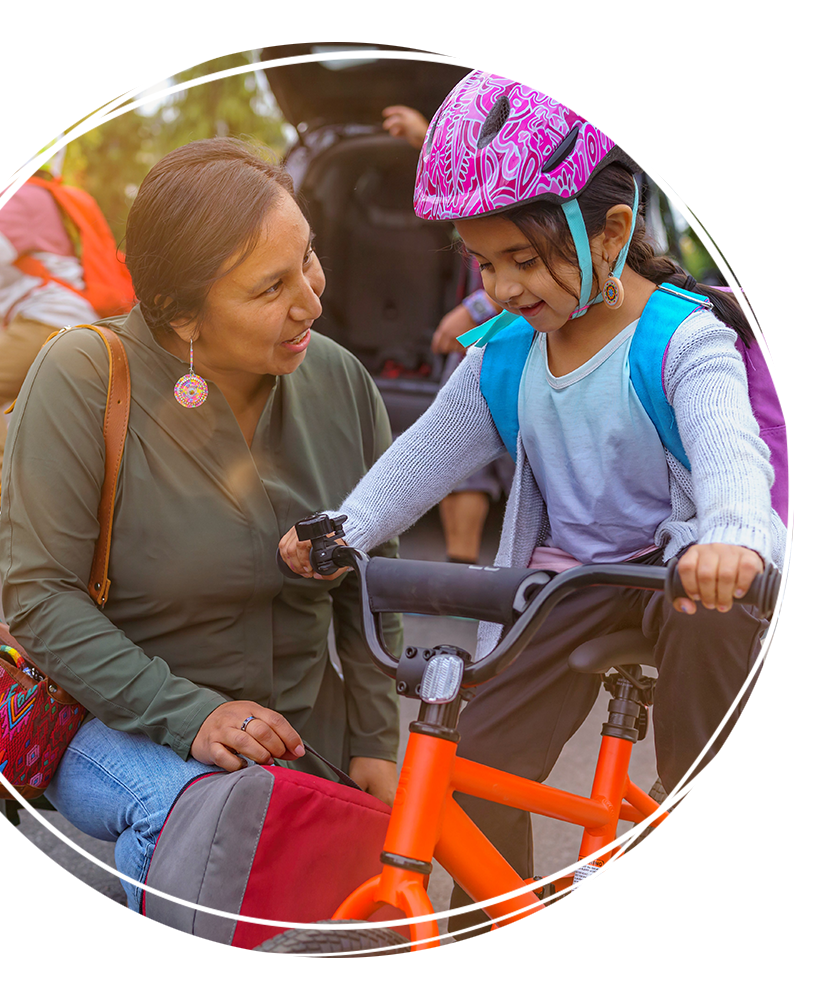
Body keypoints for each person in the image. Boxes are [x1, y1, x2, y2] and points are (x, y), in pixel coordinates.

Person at [283, 71, 786, 936]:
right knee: (475, 765)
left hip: (680, 571)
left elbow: (730, 451)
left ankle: (700, 810)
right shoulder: (507, 354)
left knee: (712, 614)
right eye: (486, 263)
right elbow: (424, 456)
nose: (506, 286)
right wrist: (347, 529)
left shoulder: (681, 339)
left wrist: (734, 536)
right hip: (569, 583)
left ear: (613, 232)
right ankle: (493, 923)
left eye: (525, 259)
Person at [0, 138, 402, 913]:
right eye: (271, 287)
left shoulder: (339, 380)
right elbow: (40, 598)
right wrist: (194, 716)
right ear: (181, 311)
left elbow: (373, 577)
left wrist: (376, 741)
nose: (312, 303)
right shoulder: (82, 377)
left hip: (299, 735)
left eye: (308, 260)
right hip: (118, 723)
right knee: (196, 827)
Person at [383, 103, 512, 563]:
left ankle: (469, 574)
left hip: (505, 329)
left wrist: (472, 313)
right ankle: (461, 573)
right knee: (457, 445)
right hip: (484, 336)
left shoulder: (514, 176)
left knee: (471, 446)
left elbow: (486, 175)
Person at [0, 167, 100, 522]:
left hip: (49, 321)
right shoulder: (36, 196)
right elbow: (13, 279)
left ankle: (9, 494)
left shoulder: (23, 197)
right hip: (60, 318)